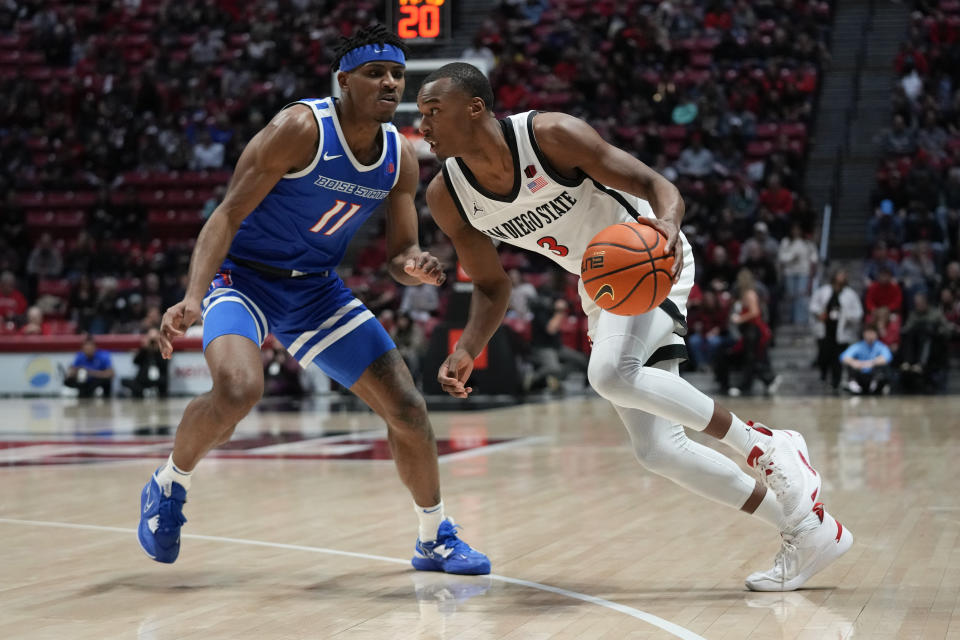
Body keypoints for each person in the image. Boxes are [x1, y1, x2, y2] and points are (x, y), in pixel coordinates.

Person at [416, 62, 850, 591]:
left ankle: (768, 444)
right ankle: (807, 530)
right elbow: (491, 285)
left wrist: (666, 224)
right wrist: (467, 348)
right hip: (601, 285)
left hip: (648, 253)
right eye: (422, 115)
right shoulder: (448, 195)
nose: (424, 125)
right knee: (657, 449)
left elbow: (654, 183)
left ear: (475, 108)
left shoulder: (549, 135)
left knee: (611, 372)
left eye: (433, 111)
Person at [138, 27, 489, 576]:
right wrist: (192, 295)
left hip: (316, 288)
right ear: (344, 80)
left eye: (397, 74)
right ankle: (168, 486)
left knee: (407, 408)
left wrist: (414, 265)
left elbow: (400, 252)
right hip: (244, 278)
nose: (390, 83)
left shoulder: (400, 156)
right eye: (375, 73)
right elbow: (228, 213)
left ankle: (433, 537)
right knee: (238, 389)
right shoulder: (299, 128)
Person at [810, 269, 863, 392]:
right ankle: (823, 377)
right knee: (823, 356)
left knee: (838, 360)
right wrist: (819, 314)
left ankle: (836, 382)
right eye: (839, 275)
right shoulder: (823, 291)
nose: (841, 278)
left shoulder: (850, 294)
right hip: (825, 330)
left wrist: (848, 317)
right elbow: (813, 305)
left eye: (843, 275)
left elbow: (858, 312)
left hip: (842, 333)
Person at [840, 325, 893, 395]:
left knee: (883, 367)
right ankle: (854, 385)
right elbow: (843, 357)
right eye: (868, 333)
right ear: (864, 334)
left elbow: (887, 358)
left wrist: (872, 363)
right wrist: (854, 362)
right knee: (850, 365)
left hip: (874, 374)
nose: (870, 336)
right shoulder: (858, 346)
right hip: (861, 374)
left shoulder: (881, 346)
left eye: (872, 333)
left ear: (876, 334)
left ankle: (876, 385)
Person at [122, 328, 169, 398]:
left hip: (158, 379)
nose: (152, 342)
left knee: (163, 382)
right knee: (126, 382)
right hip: (143, 379)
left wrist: (157, 349)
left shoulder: (163, 350)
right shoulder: (144, 350)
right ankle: (141, 393)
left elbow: (164, 365)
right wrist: (144, 349)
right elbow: (135, 362)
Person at [64, 334, 114, 398]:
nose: (88, 350)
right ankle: (82, 394)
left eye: (90, 347)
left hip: (96, 380)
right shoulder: (80, 356)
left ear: (95, 348)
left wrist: (90, 372)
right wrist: (72, 372)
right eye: (86, 348)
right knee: (69, 380)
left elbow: (111, 374)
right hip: (84, 382)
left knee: (106, 381)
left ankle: (106, 398)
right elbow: (72, 369)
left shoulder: (103, 356)